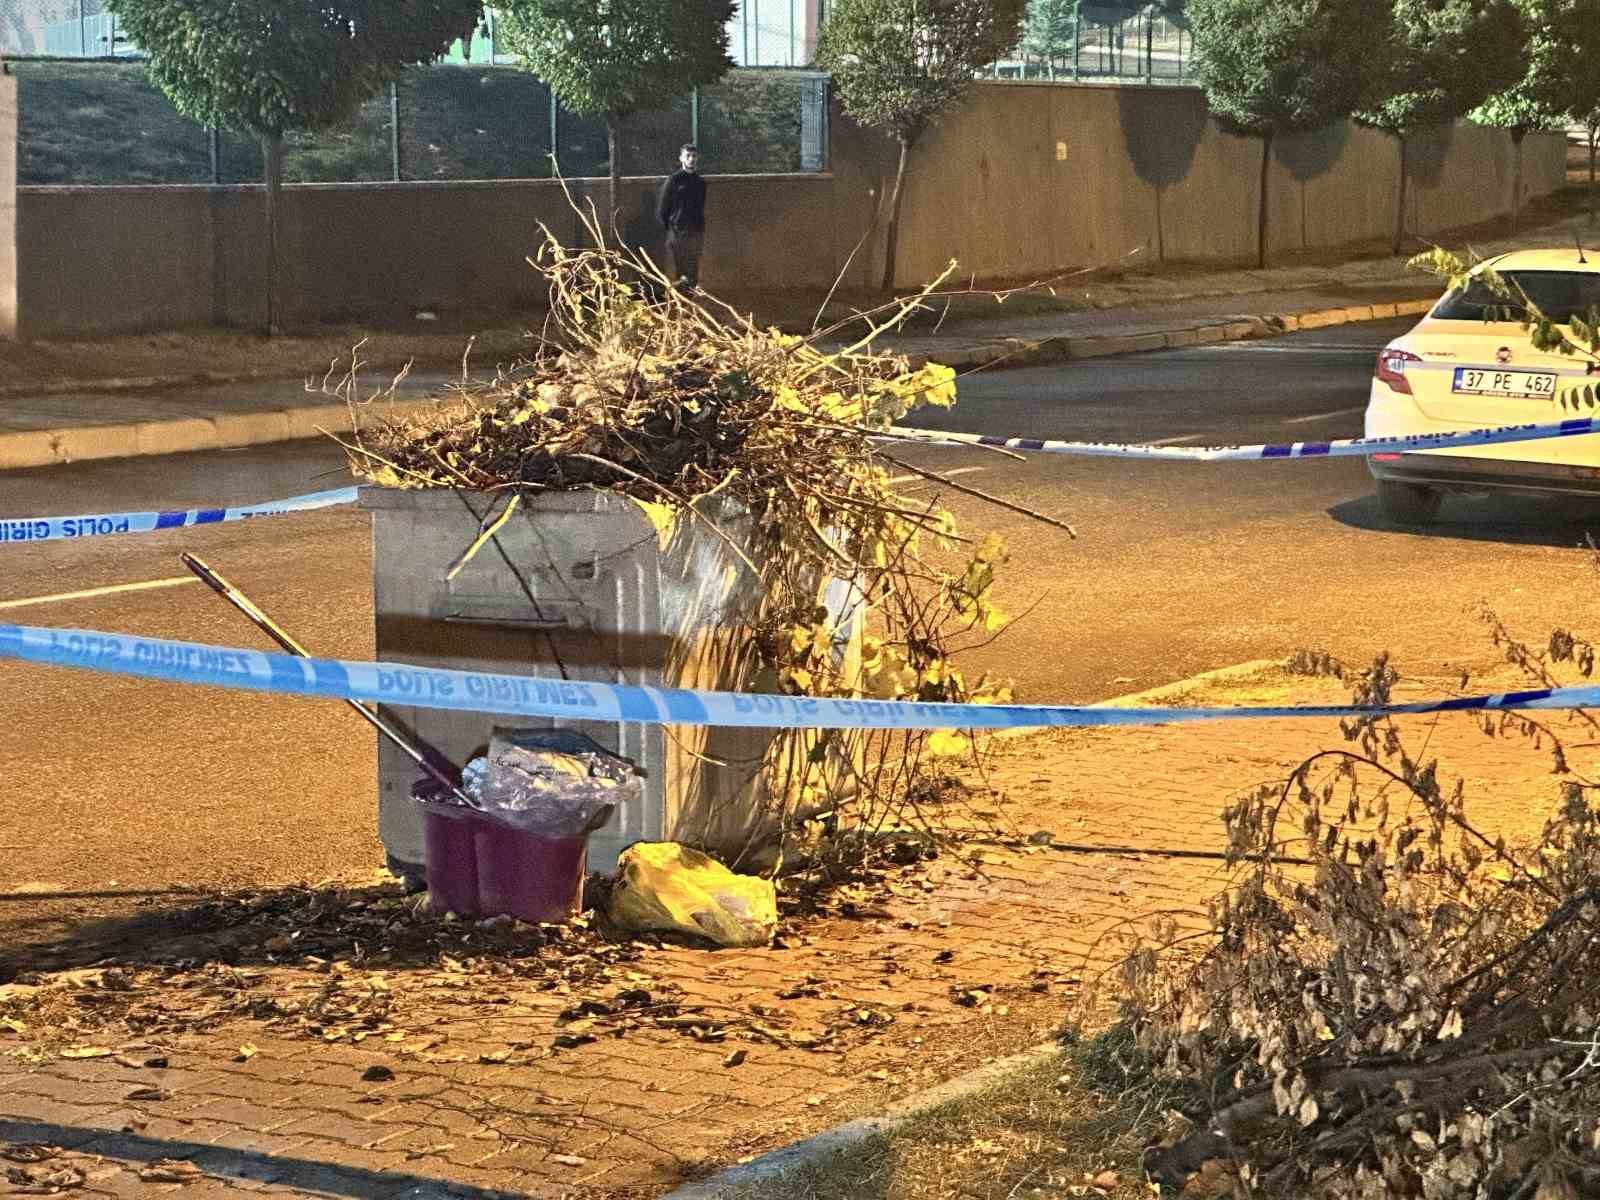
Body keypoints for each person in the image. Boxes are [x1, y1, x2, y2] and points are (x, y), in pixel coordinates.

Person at [657, 143, 707, 289]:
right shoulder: (673, 180)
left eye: (694, 156)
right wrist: (672, 229)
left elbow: (700, 208)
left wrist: (699, 231)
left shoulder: (700, 183)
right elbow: (663, 209)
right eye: (688, 156)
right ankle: (680, 306)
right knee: (681, 272)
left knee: (693, 272)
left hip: (695, 234)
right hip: (677, 234)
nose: (691, 159)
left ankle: (691, 306)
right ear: (681, 158)